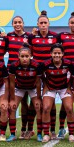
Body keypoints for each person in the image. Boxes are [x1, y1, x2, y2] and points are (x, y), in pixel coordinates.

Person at [27, 10, 58, 139]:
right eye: (41, 23)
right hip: (35, 75)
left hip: (50, 75)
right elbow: (27, 51)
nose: (43, 25)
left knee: (51, 105)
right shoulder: (32, 37)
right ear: (37, 24)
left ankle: (52, 130)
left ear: (49, 24)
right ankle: (30, 130)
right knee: (33, 104)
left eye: (45, 23)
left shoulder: (55, 37)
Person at [41, 44, 74, 143]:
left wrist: (69, 87)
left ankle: (72, 134)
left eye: (59, 53)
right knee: (46, 108)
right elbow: (40, 75)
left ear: (62, 54)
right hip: (50, 88)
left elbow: (73, 76)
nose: (57, 55)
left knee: (69, 108)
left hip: (64, 88)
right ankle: (46, 134)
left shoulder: (69, 63)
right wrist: (46, 85)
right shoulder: (45, 64)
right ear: (51, 54)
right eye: (55, 53)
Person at [8, 43, 43, 142]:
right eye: (22, 56)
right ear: (18, 56)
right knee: (13, 106)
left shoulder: (37, 65)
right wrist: (12, 99)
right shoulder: (13, 66)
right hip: (19, 88)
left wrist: (39, 97)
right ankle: (12, 134)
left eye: (26, 56)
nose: (24, 58)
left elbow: (38, 82)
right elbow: (11, 83)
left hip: (32, 88)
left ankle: (39, 134)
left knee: (37, 106)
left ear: (30, 56)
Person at [6, 16, 31, 138]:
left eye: (19, 22)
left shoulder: (29, 37)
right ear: (12, 24)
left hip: (25, 73)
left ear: (23, 23)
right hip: (11, 73)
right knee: (12, 103)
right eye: (15, 22)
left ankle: (24, 129)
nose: (17, 24)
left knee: (25, 103)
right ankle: (11, 131)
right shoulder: (8, 37)